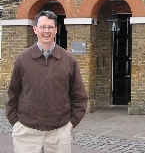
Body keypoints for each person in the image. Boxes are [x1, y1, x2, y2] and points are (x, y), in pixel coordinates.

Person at [5, 10, 88, 153]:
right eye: (43, 27)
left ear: (56, 30)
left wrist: (69, 125)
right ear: (35, 29)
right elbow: (13, 94)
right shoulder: (23, 59)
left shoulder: (68, 60)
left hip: (59, 132)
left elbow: (79, 96)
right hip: (27, 132)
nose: (46, 31)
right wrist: (16, 123)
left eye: (50, 27)